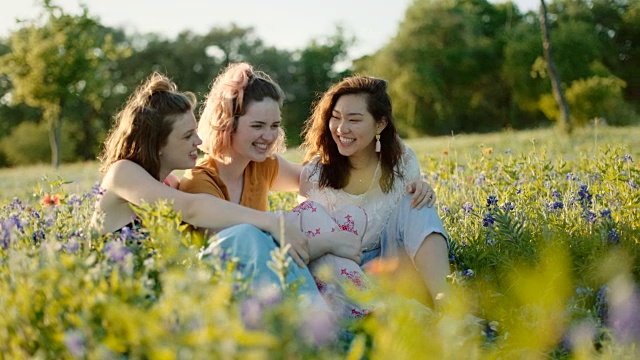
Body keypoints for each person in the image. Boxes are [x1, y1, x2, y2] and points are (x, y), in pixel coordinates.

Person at [90, 72, 326, 306]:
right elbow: (192, 208)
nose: (199, 141)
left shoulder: (170, 184)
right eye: (187, 136)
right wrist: (272, 221)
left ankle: (315, 325)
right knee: (246, 236)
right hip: (114, 303)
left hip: (160, 300)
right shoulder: (122, 173)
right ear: (156, 143)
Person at [178, 62, 436, 269]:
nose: (268, 137)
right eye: (257, 126)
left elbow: (319, 179)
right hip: (240, 295)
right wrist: (327, 242)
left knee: (314, 212)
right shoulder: (201, 183)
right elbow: (244, 258)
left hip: (292, 276)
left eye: (275, 126)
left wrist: (409, 185)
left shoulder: (261, 166)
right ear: (227, 124)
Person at [297, 75, 451, 316]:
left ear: (380, 124)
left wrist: (423, 190)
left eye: (354, 120)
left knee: (416, 202)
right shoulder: (314, 174)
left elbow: (410, 222)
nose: (341, 129)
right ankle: (400, 315)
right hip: (340, 277)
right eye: (335, 118)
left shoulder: (401, 162)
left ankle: (447, 304)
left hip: (390, 267)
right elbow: (309, 245)